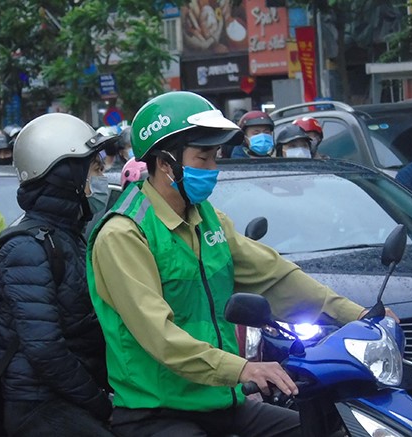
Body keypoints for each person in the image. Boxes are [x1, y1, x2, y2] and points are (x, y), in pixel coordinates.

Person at [86, 91, 391, 437]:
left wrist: (356, 314)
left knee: (326, 430)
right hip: (157, 412)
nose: (213, 169)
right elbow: (159, 336)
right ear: (165, 163)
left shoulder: (208, 220)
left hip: (222, 402)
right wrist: (243, 369)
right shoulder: (124, 234)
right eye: (203, 159)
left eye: (215, 157)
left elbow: (274, 277)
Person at [0, 112, 113, 437]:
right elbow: (45, 349)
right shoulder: (26, 248)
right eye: (94, 170)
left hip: (71, 394)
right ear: (63, 174)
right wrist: (98, 402)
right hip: (38, 404)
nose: (101, 178)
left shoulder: (70, 233)